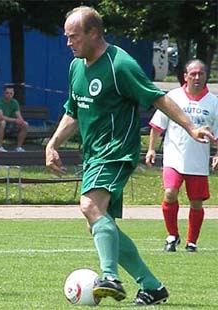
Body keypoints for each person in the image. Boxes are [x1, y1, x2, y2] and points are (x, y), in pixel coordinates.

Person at [45, 6, 216, 306]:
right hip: (94, 154)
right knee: (98, 222)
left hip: (115, 152)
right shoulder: (76, 67)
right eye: (67, 37)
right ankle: (151, 286)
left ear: (94, 33)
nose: (68, 43)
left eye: (73, 37)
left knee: (89, 206)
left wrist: (189, 127)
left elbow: (157, 97)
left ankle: (110, 277)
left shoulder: (120, 64)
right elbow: (73, 111)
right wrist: (53, 143)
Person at [146, 59, 218, 253]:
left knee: (196, 202)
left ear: (206, 76)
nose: (196, 77)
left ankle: (191, 241)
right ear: (185, 76)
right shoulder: (173, 97)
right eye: (192, 74)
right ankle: (172, 235)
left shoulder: (213, 102)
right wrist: (151, 149)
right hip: (174, 158)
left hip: (198, 161)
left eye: (200, 73)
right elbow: (157, 126)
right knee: (170, 193)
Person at [0, 85, 28, 152]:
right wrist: (15, 120)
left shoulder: (15, 102)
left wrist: (21, 121)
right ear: (4, 93)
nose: (9, 95)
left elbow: (19, 116)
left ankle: (19, 147)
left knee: (25, 124)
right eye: (7, 93)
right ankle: (0, 147)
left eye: (11, 93)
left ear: (13, 94)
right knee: (3, 122)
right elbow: (0, 117)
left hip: (10, 124)